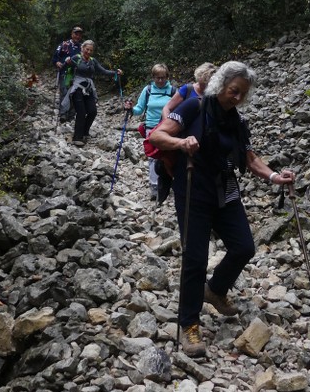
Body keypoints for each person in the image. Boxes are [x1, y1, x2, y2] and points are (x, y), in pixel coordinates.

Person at [149, 60, 295, 357]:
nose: (237, 98)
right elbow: (156, 136)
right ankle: (188, 324)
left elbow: (251, 159)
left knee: (244, 247)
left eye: (242, 93)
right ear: (220, 85)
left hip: (225, 190)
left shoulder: (237, 122)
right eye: (233, 91)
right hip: (193, 190)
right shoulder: (193, 108)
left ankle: (215, 290)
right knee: (195, 258)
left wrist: (274, 177)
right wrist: (181, 142)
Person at [124, 64, 176, 199]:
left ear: (167, 77)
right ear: (152, 77)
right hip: (151, 128)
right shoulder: (147, 90)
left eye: (163, 78)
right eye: (157, 78)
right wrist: (130, 109)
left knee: (169, 157)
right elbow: (139, 109)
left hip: (169, 128)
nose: (160, 81)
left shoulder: (173, 91)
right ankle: (154, 186)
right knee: (153, 158)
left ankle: (168, 184)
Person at [61, 40, 123, 146]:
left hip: (89, 89)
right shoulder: (77, 58)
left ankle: (85, 132)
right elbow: (65, 67)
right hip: (77, 89)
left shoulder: (93, 61)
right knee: (81, 112)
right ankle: (77, 137)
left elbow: (103, 71)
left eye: (91, 50)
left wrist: (115, 73)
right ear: (82, 48)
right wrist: (66, 62)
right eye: (87, 49)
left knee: (92, 111)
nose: (89, 52)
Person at [52, 26, 84, 120]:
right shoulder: (63, 44)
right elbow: (55, 58)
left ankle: (71, 114)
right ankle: (63, 113)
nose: (77, 36)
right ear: (72, 34)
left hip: (77, 74)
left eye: (79, 35)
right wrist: (57, 62)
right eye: (76, 34)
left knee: (74, 92)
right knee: (64, 92)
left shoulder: (82, 47)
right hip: (65, 72)